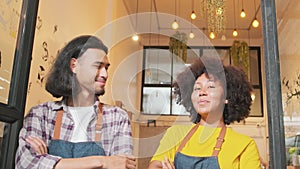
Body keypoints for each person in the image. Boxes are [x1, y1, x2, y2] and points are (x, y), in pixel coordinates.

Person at [15, 35, 136, 169]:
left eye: (106, 68)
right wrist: (102, 162)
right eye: (98, 66)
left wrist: (49, 161)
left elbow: (123, 166)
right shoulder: (41, 114)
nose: (105, 74)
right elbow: (25, 164)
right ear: (74, 66)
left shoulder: (117, 117)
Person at [148, 56, 261, 169]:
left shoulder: (244, 145)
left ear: (227, 96)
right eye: (197, 88)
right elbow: (155, 166)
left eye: (210, 86)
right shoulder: (175, 134)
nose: (202, 92)